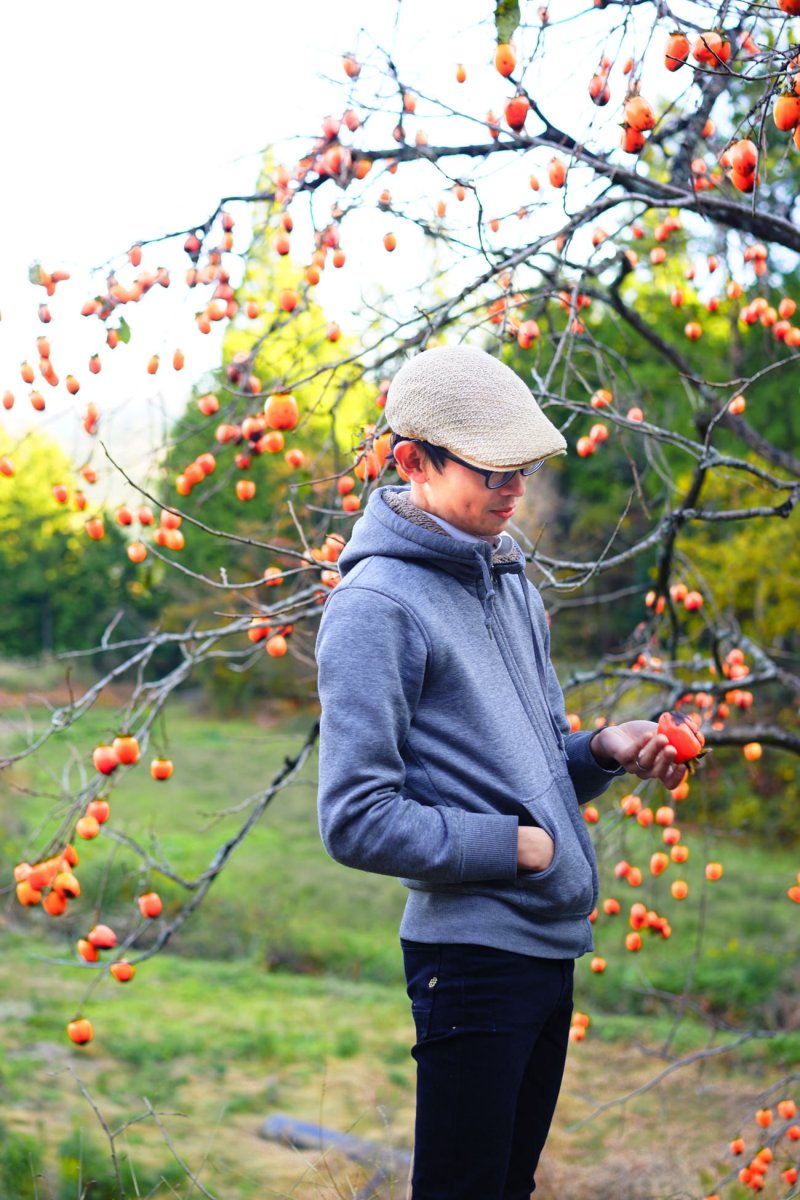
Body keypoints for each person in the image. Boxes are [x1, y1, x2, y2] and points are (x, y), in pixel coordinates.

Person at [314, 344, 686, 1200]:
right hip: (470, 961)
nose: (515, 486)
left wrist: (600, 751)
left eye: (524, 467)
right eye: (494, 469)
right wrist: (510, 848)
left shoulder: (509, 582)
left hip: (545, 952)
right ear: (413, 461)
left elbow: (530, 767)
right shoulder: (375, 608)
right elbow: (354, 817)